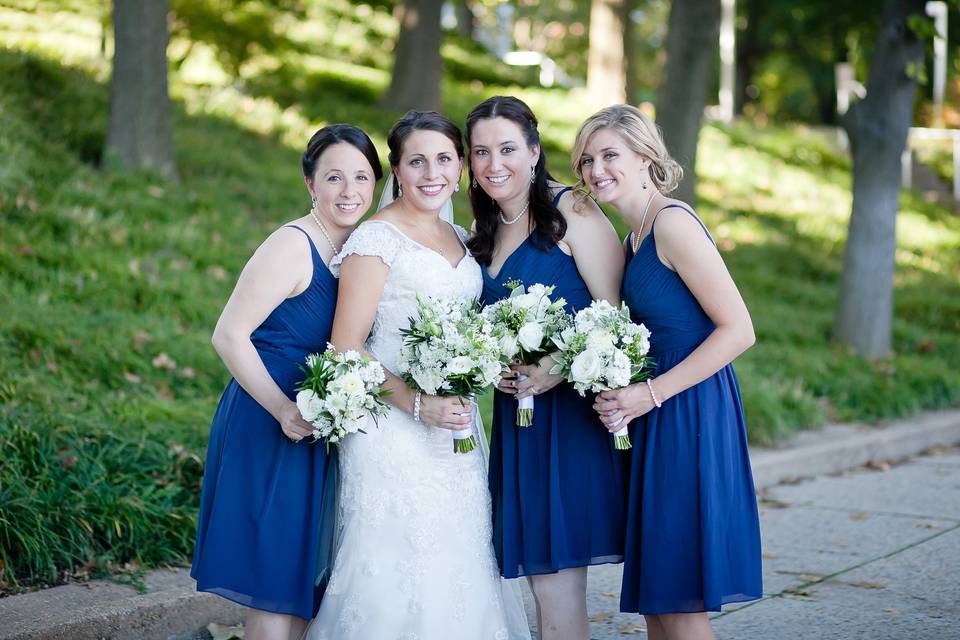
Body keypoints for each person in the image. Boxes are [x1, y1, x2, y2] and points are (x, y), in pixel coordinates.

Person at [306, 110, 529, 640]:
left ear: (460, 169)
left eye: (445, 159)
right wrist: (415, 401)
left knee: (460, 557)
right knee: (396, 563)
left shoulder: (462, 236)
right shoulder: (375, 240)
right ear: (398, 172)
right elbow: (346, 346)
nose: (433, 173)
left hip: (457, 427)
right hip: (392, 430)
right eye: (417, 161)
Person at [573, 104, 762, 640]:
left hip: (689, 413)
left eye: (610, 155)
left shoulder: (673, 224)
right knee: (660, 598)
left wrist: (648, 395)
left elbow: (738, 330)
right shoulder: (634, 236)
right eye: (587, 160)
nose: (595, 170)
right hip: (655, 414)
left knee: (681, 602)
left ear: (646, 157)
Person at [191, 125, 382, 640]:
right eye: (334, 178)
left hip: (321, 424)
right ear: (309, 184)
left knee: (305, 582)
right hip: (270, 419)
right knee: (276, 579)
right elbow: (229, 335)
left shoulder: (361, 249)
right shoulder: (292, 245)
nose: (349, 191)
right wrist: (282, 409)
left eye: (362, 177)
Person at [466, 96, 626, 640]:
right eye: (481, 152)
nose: (495, 164)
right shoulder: (483, 225)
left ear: (534, 152)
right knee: (540, 575)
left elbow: (616, 313)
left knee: (556, 577)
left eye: (508, 148)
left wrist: (557, 367)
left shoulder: (574, 211)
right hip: (515, 419)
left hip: (570, 421)